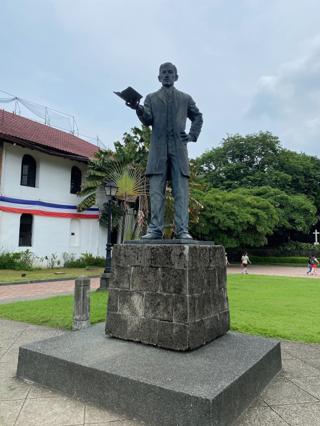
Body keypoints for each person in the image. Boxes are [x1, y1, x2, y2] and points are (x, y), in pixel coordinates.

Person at [127, 62, 203, 239]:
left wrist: (192, 135)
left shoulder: (185, 98)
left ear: (176, 76)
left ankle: (182, 229)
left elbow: (198, 116)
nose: (167, 75)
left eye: (170, 72)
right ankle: (155, 229)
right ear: (159, 77)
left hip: (179, 150)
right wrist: (137, 108)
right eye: (164, 73)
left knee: (181, 192)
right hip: (158, 151)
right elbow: (147, 119)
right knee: (155, 192)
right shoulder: (151, 98)